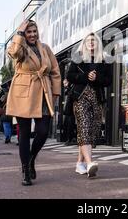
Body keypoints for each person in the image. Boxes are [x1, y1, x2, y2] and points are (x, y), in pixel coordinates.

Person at [6, 20, 61, 186]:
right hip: (23, 92)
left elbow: (55, 71)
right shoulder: (19, 46)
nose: (32, 34)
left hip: (43, 91)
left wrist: (55, 92)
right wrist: (19, 34)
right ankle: (25, 170)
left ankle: (31, 158)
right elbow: (14, 53)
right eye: (28, 32)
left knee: (43, 131)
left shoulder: (45, 48)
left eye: (34, 31)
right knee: (23, 133)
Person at [67, 33, 112, 178]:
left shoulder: (104, 60)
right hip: (80, 97)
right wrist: (85, 76)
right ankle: (90, 163)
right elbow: (69, 76)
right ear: (84, 43)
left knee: (91, 131)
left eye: (94, 40)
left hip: (97, 99)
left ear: (98, 43)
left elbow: (108, 80)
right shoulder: (78, 57)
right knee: (84, 127)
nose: (91, 43)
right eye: (88, 41)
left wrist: (97, 78)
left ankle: (79, 164)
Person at [62, 78, 76, 145]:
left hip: (71, 110)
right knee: (67, 124)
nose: (64, 85)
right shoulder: (67, 89)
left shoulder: (71, 88)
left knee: (70, 124)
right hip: (68, 110)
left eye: (65, 83)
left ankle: (70, 139)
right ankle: (68, 138)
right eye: (64, 84)